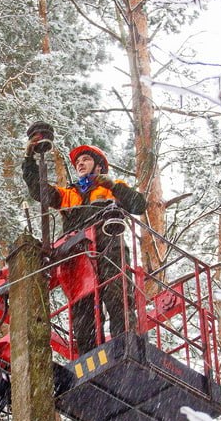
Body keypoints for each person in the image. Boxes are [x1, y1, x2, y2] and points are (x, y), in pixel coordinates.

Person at [23, 136, 147, 354]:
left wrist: (114, 187)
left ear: (98, 165)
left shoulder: (111, 189)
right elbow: (38, 189)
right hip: (78, 254)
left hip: (109, 245)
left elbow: (138, 204)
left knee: (116, 295)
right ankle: (88, 358)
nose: (80, 163)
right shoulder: (68, 195)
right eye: (78, 161)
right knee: (82, 310)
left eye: (86, 159)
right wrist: (29, 158)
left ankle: (126, 347)